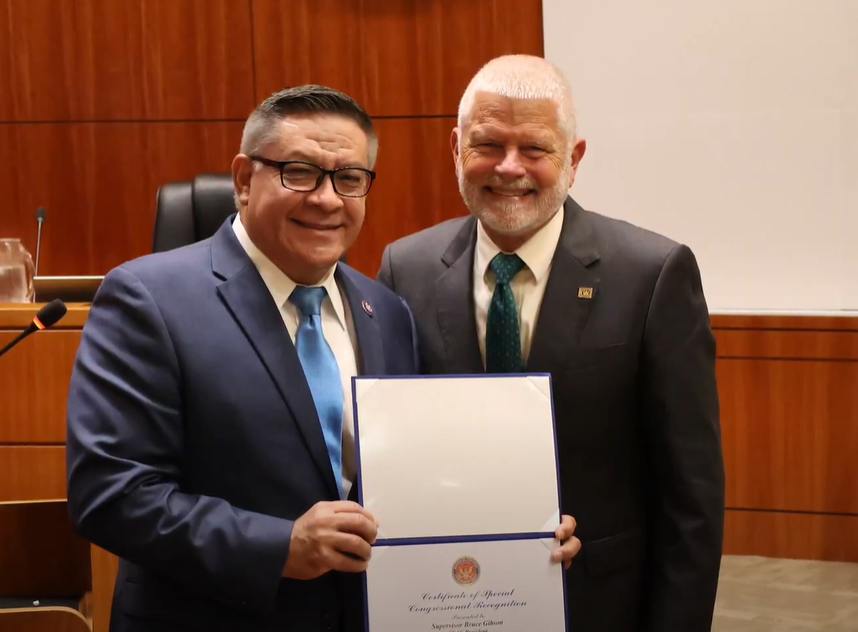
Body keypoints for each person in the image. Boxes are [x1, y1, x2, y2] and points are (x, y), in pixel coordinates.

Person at [377, 55, 726, 632]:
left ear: (574, 158)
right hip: (444, 598)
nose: (509, 168)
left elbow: (692, 492)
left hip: (600, 602)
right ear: (455, 149)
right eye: (487, 144)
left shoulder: (654, 274)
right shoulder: (404, 267)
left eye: (534, 149)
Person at [64, 85, 419, 632]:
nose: (326, 199)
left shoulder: (388, 312)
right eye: (298, 171)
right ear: (243, 180)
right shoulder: (146, 298)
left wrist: (521, 533)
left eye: (349, 178)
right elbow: (111, 493)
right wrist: (279, 546)